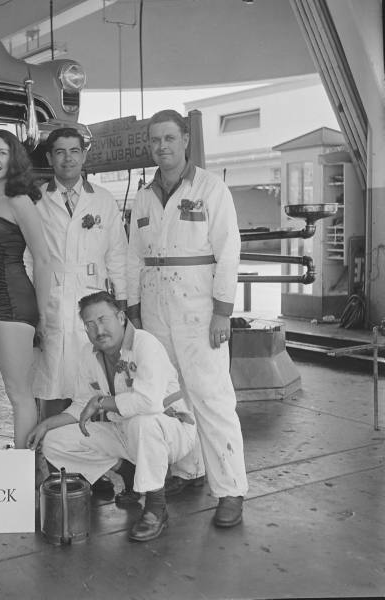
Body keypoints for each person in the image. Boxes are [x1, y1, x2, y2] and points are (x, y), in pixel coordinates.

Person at [127, 109, 248, 528]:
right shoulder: (143, 196)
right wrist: (133, 312)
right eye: (155, 140)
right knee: (172, 396)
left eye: (169, 138)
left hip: (199, 310)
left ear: (184, 142)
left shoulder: (212, 188)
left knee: (212, 399)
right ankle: (188, 469)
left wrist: (222, 312)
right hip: (155, 310)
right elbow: (131, 257)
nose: (162, 147)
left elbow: (229, 253)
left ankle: (231, 490)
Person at [27, 291, 197, 542]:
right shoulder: (89, 353)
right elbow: (84, 404)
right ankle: (126, 470)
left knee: (143, 421)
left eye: (103, 319)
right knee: (54, 441)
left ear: (120, 317)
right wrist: (47, 424)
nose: (98, 329)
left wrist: (102, 403)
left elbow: (148, 402)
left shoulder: (145, 344)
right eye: (89, 324)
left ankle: (155, 506)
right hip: (124, 432)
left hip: (169, 430)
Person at [30, 127, 128, 416]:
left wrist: (122, 303)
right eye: (60, 152)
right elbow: (26, 258)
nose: (68, 159)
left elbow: (118, 255)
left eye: (74, 151)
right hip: (51, 299)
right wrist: (30, 308)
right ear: (49, 158)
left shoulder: (103, 199)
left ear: (84, 155)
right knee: (51, 378)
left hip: (93, 297)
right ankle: (50, 447)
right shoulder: (35, 199)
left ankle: (94, 450)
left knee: (95, 376)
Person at [0, 130, 50, 449]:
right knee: (7, 386)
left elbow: (43, 259)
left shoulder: (20, 200)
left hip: (15, 303)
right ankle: (28, 465)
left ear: (13, 157)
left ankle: (25, 472)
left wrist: (40, 314)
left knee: (19, 394)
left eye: (1, 152)